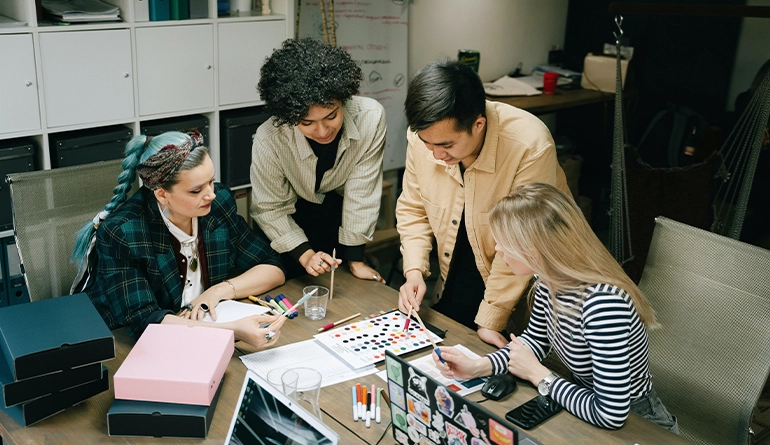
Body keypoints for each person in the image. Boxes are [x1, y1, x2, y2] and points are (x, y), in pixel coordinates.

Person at [432, 183, 679, 432]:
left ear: (534, 252)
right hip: (581, 400)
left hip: (638, 424)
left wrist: (538, 375)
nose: (497, 248)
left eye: (504, 242)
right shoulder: (547, 280)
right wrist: (478, 367)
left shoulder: (603, 305)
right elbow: (536, 341)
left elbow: (611, 414)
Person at [396, 60, 570, 347]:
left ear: (478, 124)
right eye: (428, 144)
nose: (436, 155)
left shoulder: (529, 145)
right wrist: (414, 271)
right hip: (457, 268)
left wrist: (492, 317)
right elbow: (414, 209)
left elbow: (523, 242)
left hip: (525, 284)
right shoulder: (424, 136)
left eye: (447, 145)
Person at [71, 131, 287, 350]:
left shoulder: (218, 205)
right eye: (196, 190)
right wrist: (233, 331)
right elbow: (145, 321)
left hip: (200, 333)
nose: (211, 194)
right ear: (162, 194)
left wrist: (217, 291)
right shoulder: (123, 232)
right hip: (126, 345)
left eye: (211, 181)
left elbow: (272, 267)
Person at [251, 37, 387, 283]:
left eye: (331, 116)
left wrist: (355, 260)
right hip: (285, 222)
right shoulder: (269, 138)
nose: (323, 131)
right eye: (307, 123)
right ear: (290, 117)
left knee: (340, 286)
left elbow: (362, 192)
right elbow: (270, 207)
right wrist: (305, 255)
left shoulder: (370, 117)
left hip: (335, 213)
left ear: (344, 99)